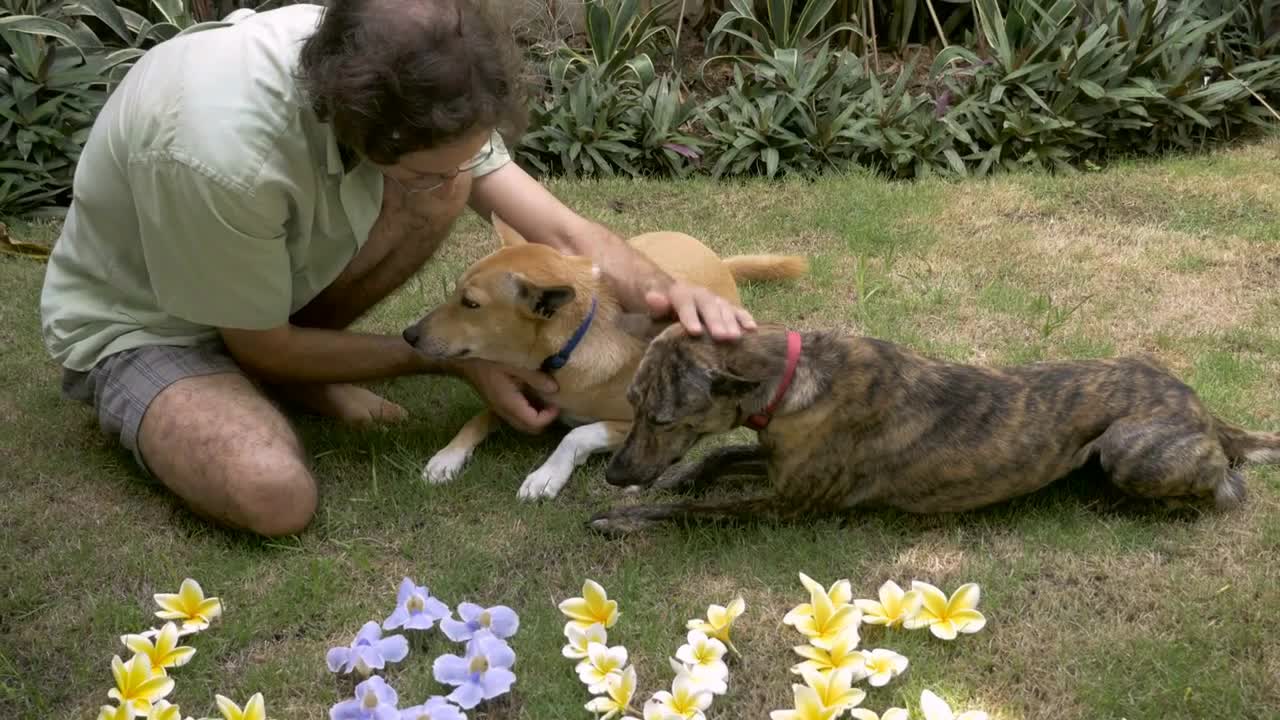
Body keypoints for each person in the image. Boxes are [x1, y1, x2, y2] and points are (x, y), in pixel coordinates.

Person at [38, 0, 755, 537]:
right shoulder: (220, 154)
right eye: (423, 167)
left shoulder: (398, 65)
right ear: (365, 133)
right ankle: (276, 383)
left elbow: (561, 229)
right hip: (150, 325)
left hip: (263, 294)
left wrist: (670, 291)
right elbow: (260, 345)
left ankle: (307, 374)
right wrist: (456, 361)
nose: (455, 179)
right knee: (271, 493)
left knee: (447, 184)